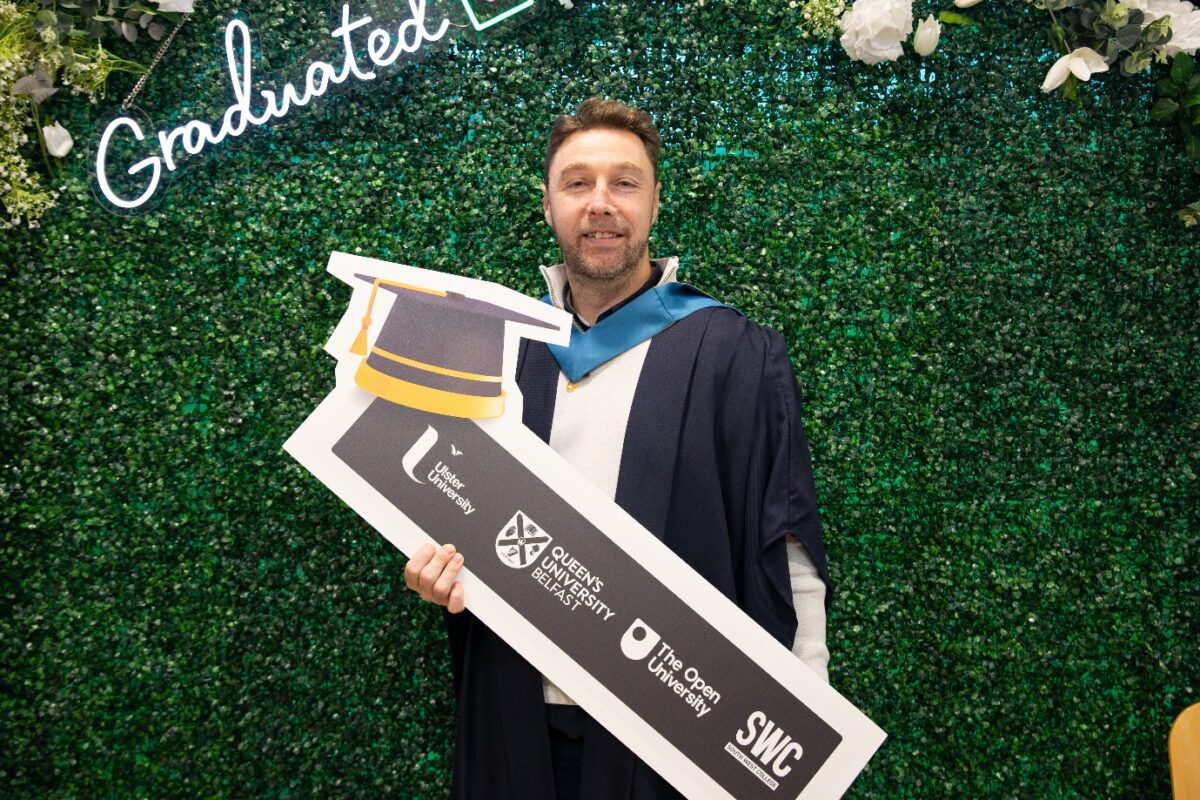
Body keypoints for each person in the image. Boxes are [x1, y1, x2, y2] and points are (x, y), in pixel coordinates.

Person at [403, 98, 830, 800]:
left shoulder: (734, 354)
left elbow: (784, 547)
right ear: (548, 205)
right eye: (577, 183)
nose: (600, 203)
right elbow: (450, 515)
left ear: (655, 202)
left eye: (624, 183)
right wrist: (436, 568)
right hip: (515, 710)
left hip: (673, 729)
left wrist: (805, 721)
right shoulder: (498, 352)